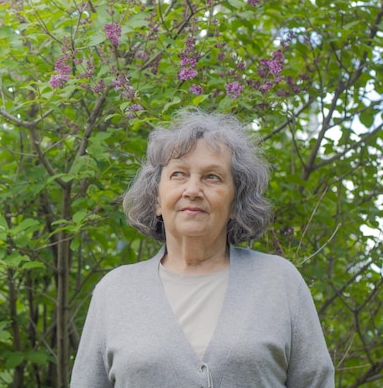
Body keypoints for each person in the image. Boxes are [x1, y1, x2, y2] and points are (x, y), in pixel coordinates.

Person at [70, 111, 334, 388]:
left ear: (235, 203)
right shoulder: (114, 292)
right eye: (178, 174)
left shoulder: (280, 281)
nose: (193, 189)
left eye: (212, 177)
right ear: (157, 200)